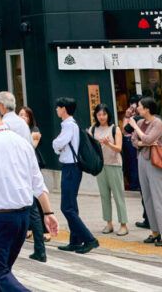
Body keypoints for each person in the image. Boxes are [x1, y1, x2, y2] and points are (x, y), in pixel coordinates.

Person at [0, 99, 60, 292]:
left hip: (1, 217)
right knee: (4, 270)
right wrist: (48, 212)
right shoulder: (24, 143)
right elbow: (38, 182)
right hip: (22, 217)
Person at [126, 96, 162, 247]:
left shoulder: (157, 123)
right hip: (142, 159)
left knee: (160, 196)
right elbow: (135, 141)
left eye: (140, 106)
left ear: (147, 109)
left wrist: (137, 130)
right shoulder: (142, 122)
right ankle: (155, 231)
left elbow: (148, 139)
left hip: (155, 161)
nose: (138, 108)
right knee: (147, 197)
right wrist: (144, 140)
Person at [51, 96, 97, 253]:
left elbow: (57, 143)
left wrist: (56, 145)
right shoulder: (71, 124)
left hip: (71, 168)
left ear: (63, 109)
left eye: (58, 107)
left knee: (67, 207)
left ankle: (89, 239)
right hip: (72, 168)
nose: (56, 109)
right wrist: (59, 146)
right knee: (71, 206)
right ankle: (75, 241)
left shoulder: (69, 125)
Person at [16, 105, 47, 261]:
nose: (22, 117)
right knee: (29, 209)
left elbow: (30, 149)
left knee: (32, 208)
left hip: (29, 171)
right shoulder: (18, 132)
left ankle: (40, 248)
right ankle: (39, 249)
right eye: (20, 115)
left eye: (25, 115)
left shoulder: (34, 131)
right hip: (23, 172)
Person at [92, 104, 128, 236]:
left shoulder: (115, 129)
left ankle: (123, 224)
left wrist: (108, 144)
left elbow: (119, 148)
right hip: (101, 166)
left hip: (114, 164)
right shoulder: (93, 129)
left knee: (118, 195)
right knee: (104, 195)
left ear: (108, 115)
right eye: (99, 114)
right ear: (96, 115)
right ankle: (108, 223)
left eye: (104, 114)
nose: (101, 117)